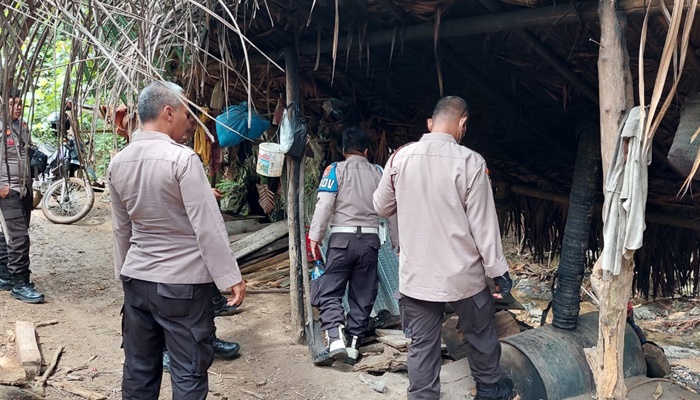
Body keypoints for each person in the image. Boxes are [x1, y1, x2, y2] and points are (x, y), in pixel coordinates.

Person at [109, 81, 246, 400]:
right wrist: (231, 277)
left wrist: (125, 275)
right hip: (182, 287)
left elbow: (121, 230)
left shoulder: (118, 162)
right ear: (168, 113)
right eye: (187, 114)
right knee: (188, 371)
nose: (191, 122)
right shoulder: (182, 160)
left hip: (138, 282)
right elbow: (207, 226)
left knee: (139, 371)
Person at [373, 96, 514, 400]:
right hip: (463, 277)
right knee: (479, 333)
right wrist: (498, 271)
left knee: (421, 347)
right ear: (463, 124)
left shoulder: (400, 158)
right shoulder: (471, 162)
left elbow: (381, 206)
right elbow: (484, 226)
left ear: (429, 123)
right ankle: (489, 389)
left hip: (417, 278)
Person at [308, 127, 398, 366]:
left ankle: (335, 339)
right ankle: (354, 345)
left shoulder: (335, 170)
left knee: (330, 289)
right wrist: (397, 242)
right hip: (369, 242)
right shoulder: (379, 172)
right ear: (367, 151)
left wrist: (314, 236)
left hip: (341, 241)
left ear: (343, 150)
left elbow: (324, 204)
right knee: (363, 293)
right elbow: (390, 211)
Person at [0, 87, 44, 303]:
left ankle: (5, 273)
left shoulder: (21, 126)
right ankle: (21, 283)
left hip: (24, 187)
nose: (18, 107)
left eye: (20, 103)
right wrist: (2, 186)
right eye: (12, 104)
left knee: (12, 232)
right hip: (8, 190)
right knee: (18, 237)